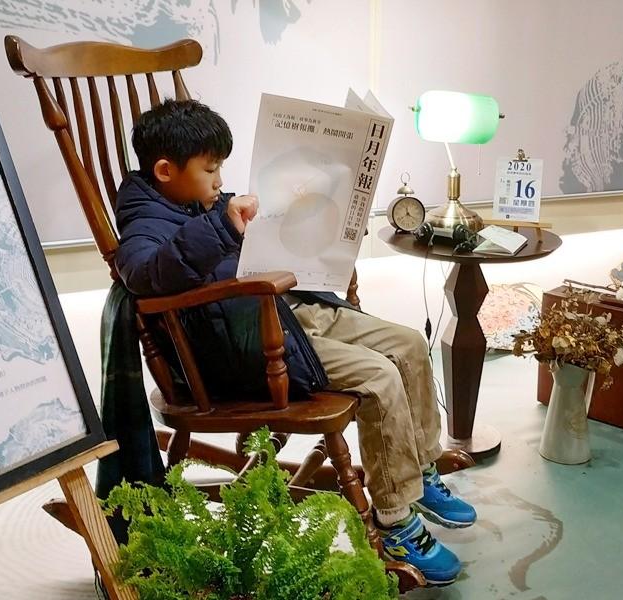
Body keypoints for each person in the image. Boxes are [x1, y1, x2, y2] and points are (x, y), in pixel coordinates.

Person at [113, 98, 476, 586]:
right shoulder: (144, 221)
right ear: (164, 171)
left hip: (287, 310)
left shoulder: (198, 200)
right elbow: (144, 274)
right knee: (379, 376)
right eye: (210, 169)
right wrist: (221, 226)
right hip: (242, 348)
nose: (219, 180)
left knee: (409, 343)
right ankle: (395, 519)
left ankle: (420, 467)